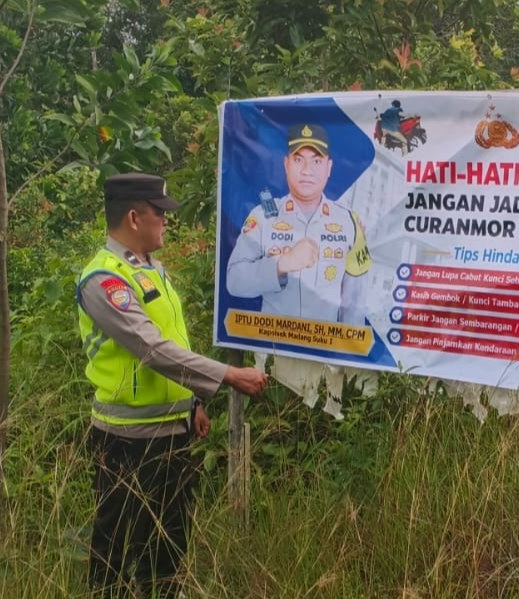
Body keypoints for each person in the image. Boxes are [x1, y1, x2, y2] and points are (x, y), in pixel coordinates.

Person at [76, 173, 268, 598]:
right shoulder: (104, 280)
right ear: (134, 217)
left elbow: (174, 339)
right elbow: (152, 348)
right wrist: (228, 375)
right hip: (126, 441)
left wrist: (193, 401)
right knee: (115, 551)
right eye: (159, 212)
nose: (166, 220)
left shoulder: (150, 269)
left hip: (173, 434)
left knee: (169, 544)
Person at [226, 123, 372, 325]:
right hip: (274, 341)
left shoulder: (349, 222)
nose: (307, 170)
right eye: (298, 159)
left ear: (329, 167)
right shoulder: (262, 217)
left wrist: (350, 343)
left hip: (325, 343)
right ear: (286, 164)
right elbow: (234, 281)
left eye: (316, 161)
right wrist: (281, 265)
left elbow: (354, 302)